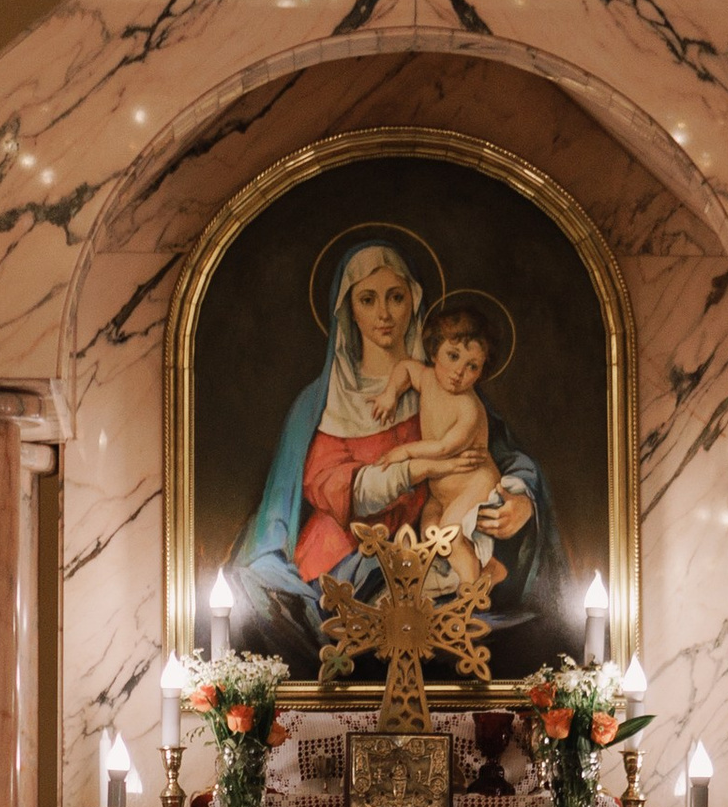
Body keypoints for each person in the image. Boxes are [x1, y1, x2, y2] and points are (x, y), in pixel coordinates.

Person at [234, 236, 562, 656]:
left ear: (414, 302)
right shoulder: (319, 402)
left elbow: (501, 460)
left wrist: (520, 501)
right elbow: (324, 485)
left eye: (396, 297)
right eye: (368, 299)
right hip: (345, 559)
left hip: (425, 561)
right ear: (348, 309)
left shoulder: (446, 384)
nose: (384, 314)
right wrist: (414, 470)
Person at [365, 293, 512, 598]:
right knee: (430, 535)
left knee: (449, 535)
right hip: (441, 489)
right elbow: (405, 368)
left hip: (475, 481)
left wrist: (406, 451)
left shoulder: (469, 408)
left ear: (482, 371)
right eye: (453, 356)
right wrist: (391, 393)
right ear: (434, 351)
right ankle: (489, 568)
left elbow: (445, 447)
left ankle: (470, 598)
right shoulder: (427, 378)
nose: (459, 372)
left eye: (472, 366)